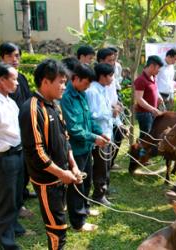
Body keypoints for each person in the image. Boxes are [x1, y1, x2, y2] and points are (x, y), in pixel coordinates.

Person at [19, 59, 81, 249]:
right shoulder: (31, 108)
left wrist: (73, 165)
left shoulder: (54, 105)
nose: (64, 86)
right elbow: (37, 153)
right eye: (60, 82)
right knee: (56, 228)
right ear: (45, 81)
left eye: (65, 82)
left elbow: (65, 138)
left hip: (62, 176)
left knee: (59, 221)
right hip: (47, 181)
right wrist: (62, 174)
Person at [60, 64, 109, 231]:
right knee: (76, 185)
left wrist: (100, 132)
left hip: (86, 147)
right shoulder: (66, 97)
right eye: (86, 83)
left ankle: (85, 208)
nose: (88, 87)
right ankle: (78, 222)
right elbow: (73, 128)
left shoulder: (82, 94)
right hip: (75, 150)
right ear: (76, 79)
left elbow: (89, 119)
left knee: (86, 181)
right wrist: (94, 138)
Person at [0, 42, 35, 217]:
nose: (14, 59)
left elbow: (27, 100)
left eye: (17, 56)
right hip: (6, 147)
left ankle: (22, 198)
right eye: (10, 56)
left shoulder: (19, 81)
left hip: (21, 137)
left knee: (22, 175)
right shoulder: (2, 91)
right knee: (8, 187)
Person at [0, 63, 22, 250]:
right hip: (4, 157)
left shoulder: (10, 101)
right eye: (13, 79)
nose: (17, 83)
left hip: (17, 153)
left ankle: (14, 227)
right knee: (5, 199)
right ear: (1, 80)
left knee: (15, 195)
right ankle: (6, 241)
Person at [85, 63, 115, 206]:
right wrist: (110, 112)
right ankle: (98, 194)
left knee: (106, 164)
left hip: (106, 133)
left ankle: (103, 189)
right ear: (102, 76)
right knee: (100, 165)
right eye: (110, 75)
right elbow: (91, 115)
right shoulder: (92, 91)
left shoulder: (103, 89)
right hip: (99, 134)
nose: (112, 79)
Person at [97, 48, 125, 170]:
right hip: (105, 115)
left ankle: (110, 162)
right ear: (101, 61)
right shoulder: (97, 80)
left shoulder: (111, 74)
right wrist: (112, 109)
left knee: (119, 133)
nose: (113, 63)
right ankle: (103, 166)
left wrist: (117, 103)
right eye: (109, 60)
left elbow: (113, 94)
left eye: (114, 60)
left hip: (114, 112)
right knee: (106, 141)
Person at [134, 55, 164, 138]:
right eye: (158, 68)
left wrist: (159, 96)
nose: (159, 71)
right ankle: (140, 151)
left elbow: (155, 90)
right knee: (146, 137)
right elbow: (139, 99)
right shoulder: (141, 80)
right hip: (144, 114)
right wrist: (153, 109)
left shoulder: (153, 77)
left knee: (152, 135)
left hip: (152, 112)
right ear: (151, 66)